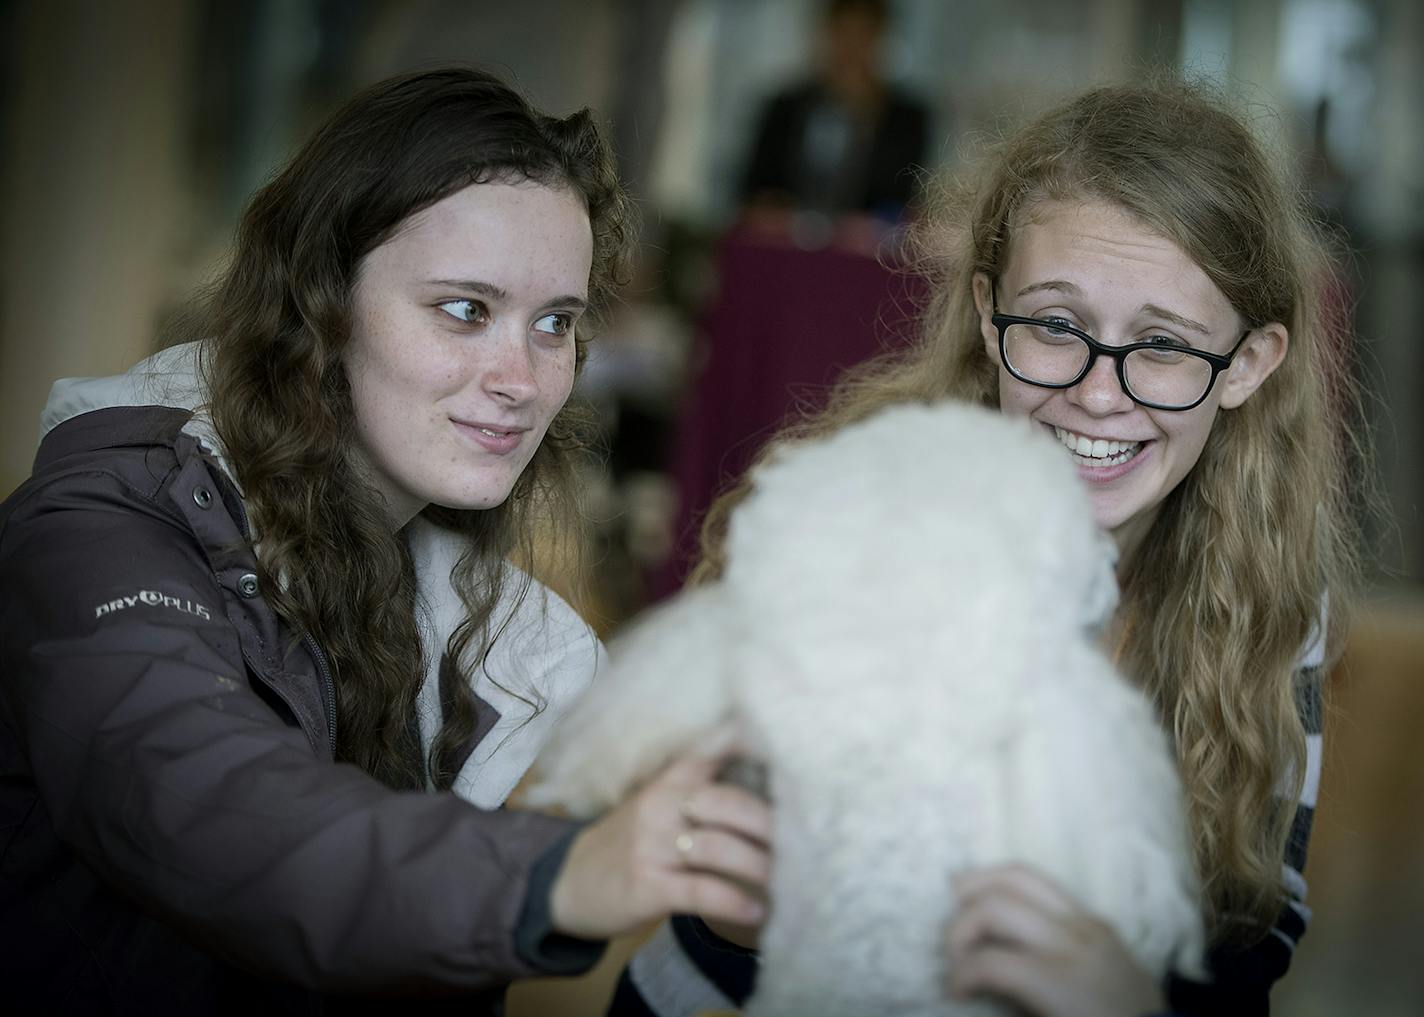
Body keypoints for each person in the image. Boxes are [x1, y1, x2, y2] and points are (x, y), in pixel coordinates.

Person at [0, 66, 770, 1014]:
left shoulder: (482, 620)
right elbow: (211, 809)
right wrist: (556, 877)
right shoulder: (104, 527)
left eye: (554, 324)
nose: (521, 377)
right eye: (465, 309)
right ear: (320, 304)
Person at [610, 77, 1364, 1017]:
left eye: (1163, 345)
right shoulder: (856, 533)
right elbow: (717, 902)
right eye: (1056, 325)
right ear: (985, 312)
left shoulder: (1270, 606)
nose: (1099, 392)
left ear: (1247, 365)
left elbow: (1254, 934)